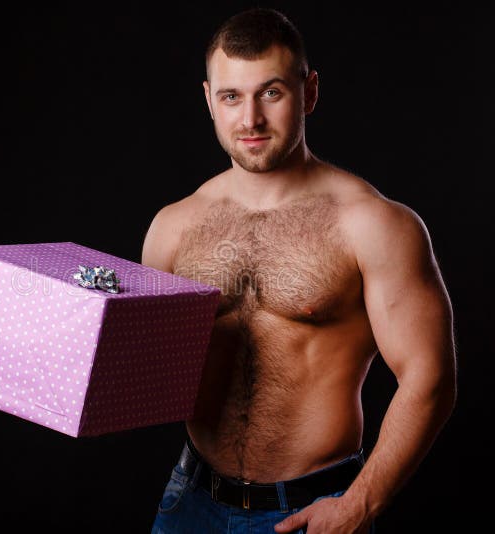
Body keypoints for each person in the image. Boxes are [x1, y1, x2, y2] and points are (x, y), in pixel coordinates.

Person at [142, 7, 457, 534]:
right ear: (208, 101)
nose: (250, 121)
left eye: (271, 93)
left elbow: (431, 378)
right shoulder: (172, 226)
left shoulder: (374, 224)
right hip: (190, 500)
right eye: (231, 97)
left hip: (313, 510)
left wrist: (359, 505)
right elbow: (150, 368)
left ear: (308, 92)